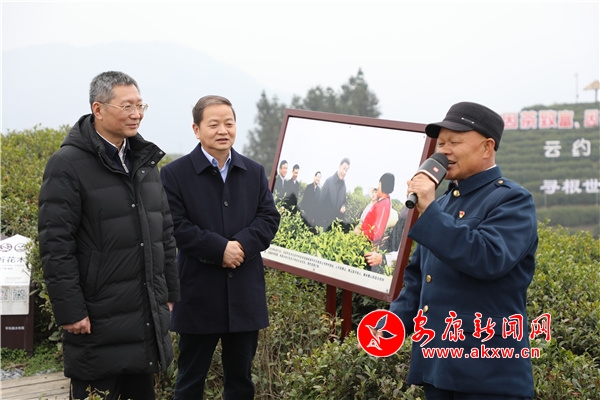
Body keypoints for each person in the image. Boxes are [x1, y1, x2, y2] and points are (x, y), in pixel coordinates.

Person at [38, 71, 180, 400]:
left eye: (140, 105)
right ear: (98, 109)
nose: (136, 114)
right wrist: (71, 310)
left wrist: (169, 292)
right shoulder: (67, 165)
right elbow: (56, 245)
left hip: (143, 313)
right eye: (127, 106)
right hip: (96, 315)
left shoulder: (145, 163)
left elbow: (165, 233)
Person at [381, 102, 538, 399]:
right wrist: (391, 325)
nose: (444, 151)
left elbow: (488, 258)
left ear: (487, 147)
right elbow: (418, 280)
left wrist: (430, 211)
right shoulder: (441, 205)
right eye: (441, 143)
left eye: (455, 142)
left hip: (488, 374)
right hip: (437, 367)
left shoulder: (513, 200)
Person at [160, 95, 280, 399]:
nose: (223, 130)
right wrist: (219, 249)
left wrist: (240, 245)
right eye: (213, 124)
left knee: (241, 382)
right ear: (196, 129)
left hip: (244, 293)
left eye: (229, 123)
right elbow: (175, 225)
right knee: (190, 381)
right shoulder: (175, 174)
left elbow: (268, 218)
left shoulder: (253, 171)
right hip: (198, 294)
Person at [360, 173, 395, 246]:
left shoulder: (384, 205)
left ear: (384, 185)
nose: (378, 187)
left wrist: (361, 234)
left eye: (379, 184)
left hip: (366, 243)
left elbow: (377, 233)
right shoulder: (382, 202)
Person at [317, 158, 350, 230]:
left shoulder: (344, 186)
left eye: (346, 170)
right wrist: (318, 225)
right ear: (339, 166)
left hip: (336, 226)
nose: (344, 172)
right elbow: (320, 203)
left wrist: (343, 206)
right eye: (343, 168)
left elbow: (344, 201)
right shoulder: (329, 182)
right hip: (325, 225)